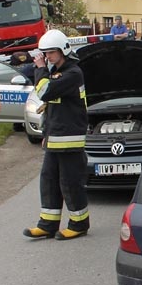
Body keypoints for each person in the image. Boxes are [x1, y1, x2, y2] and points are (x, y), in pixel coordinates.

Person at [22, 29, 90, 241]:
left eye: (51, 53)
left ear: (63, 51)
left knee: (70, 183)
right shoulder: (55, 73)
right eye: (45, 53)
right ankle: (48, 224)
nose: (47, 57)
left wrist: (41, 69)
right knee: (49, 181)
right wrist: (47, 133)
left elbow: (44, 92)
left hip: (69, 139)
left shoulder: (73, 73)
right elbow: (52, 107)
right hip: (55, 138)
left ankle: (79, 224)